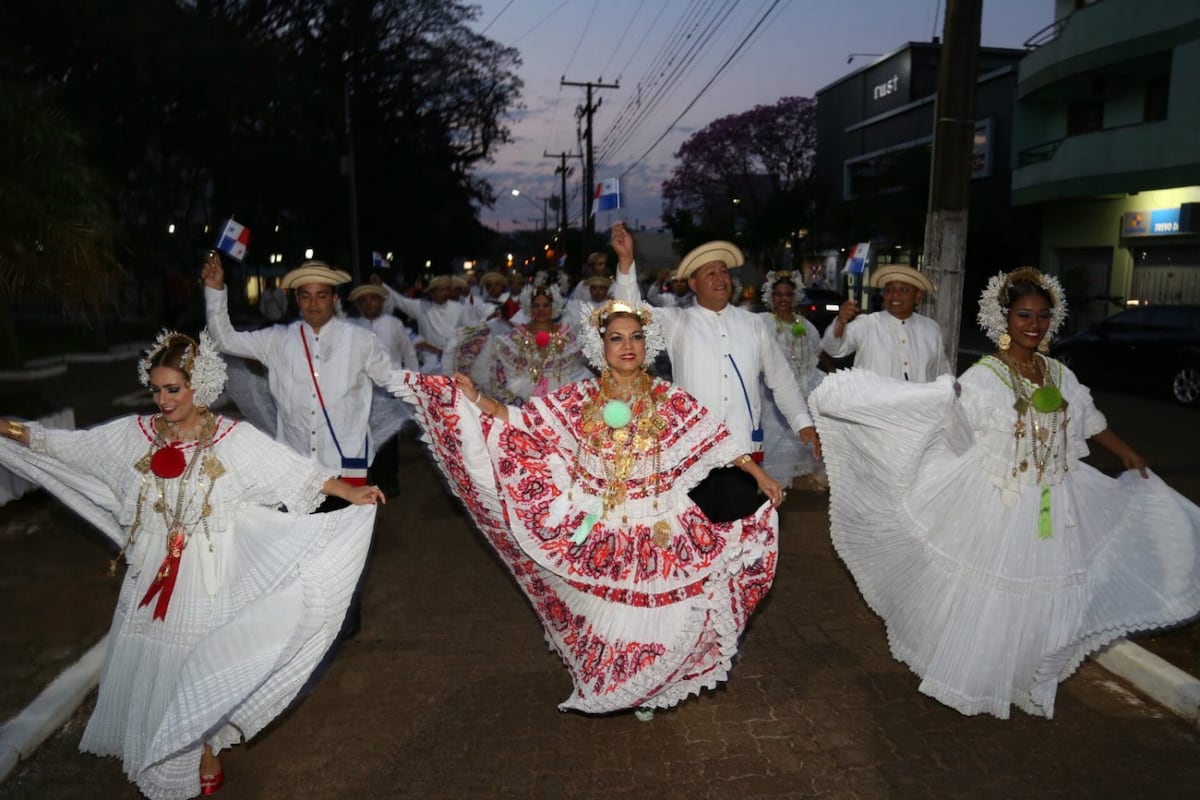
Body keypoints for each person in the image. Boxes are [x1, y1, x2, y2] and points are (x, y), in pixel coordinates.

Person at [0, 331, 383, 799]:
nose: (163, 400)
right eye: (157, 390)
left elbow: (293, 473)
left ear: (198, 387)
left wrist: (350, 492)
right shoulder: (132, 436)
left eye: (173, 390)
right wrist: (10, 429)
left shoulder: (233, 440)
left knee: (193, 662)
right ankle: (161, 745)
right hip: (151, 573)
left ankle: (200, 750)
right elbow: (67, 446)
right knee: (157, 660)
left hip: (207, 574)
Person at [808, 267, 1200, 719]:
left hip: (1056, 498)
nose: (1033, 324)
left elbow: (1090, 420)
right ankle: (978, 676)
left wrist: (1128, 454)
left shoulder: (1057, 372)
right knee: (996, 588)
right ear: (1005, 319)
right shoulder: (986, 375)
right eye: (1023, 315)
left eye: (1042, 316)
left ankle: (1027, 673)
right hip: (1003, 499)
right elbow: (955, 420)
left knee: (1045, 591)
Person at [393, 299, 783, 718]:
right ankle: (623, 682)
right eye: (616, 338)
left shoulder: (668, 396)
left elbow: (715, 437)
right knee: (616, 615)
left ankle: (647, 687)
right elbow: (526, 421)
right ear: (601, 348)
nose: (627, 346)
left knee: (668, 613)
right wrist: (477, 401)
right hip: (602, 520)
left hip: (659, 520)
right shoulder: (581, 397)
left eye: (635, 337)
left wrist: (759, 476)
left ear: (647, 344)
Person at [611, 223, 819, 522]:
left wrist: (803, 423)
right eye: (711, 273)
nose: (721, 278)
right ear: (693, 284)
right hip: (691, 458)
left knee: (740, 542)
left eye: (723, 271)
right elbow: (630, 314)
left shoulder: (753, 325)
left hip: (744, 456)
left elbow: (781, 378)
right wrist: (626, 262)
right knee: (694, 542)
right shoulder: (678, 322)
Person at [202, 254, 394, 485]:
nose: (313, 304)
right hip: (296, 465)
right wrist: (215, 291)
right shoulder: (276, 340)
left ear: (334, 298)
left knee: (348, 520)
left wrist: (440, 389)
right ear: (297, 299)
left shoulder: (361, 341)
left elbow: (393, 379)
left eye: (321, 296)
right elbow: (226, 341)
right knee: (298, 522)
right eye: (306, 296)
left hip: (346, 463)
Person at [449, 281, 590, 405]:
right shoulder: (517, 335)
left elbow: (576, 365)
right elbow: (502, 361)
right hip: (523, 392)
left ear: (554, 307)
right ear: (529, 307)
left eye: (546, 305)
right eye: (536, 305)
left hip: (560, 391)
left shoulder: (566, 334)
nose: (541, 310)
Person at [820, 263, 950, 381]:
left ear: (917, 296)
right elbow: (833, 348)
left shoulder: (931, 329)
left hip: (917, 406)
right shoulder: (867, 324)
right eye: (889, 290)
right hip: (873, 405)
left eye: (903, 290)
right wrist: (841, 322)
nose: (894, 295)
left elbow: (941, 373)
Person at [348, 283, 420, 496]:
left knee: (388, 437)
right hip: (361, 391)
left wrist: (414, 383)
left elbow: (409, 353)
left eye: (374, 299)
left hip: (389, 391)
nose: (369, 303)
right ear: (359, 305)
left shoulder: (394, 324)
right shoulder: (351, 326)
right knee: (363, 437)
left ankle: (389, 481)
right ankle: (367, 483)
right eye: (364, 300)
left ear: (382, 302)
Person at [758, 270, 826, 487]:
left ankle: (801, 478)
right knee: (775, 438)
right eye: (778, 294)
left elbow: (814, 351)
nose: (783, 300)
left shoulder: (803, 325)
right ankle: (771, 484)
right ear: (771, 296)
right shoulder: (762, 322)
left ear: (795, 297)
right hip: (772, 391)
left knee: (804, 431)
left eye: (787, 295)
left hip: (803, 387)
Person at [381, 275, 474, 372]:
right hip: (429, 362)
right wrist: (381, 285)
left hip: (454, 361)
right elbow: (398, 300)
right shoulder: (421, 306)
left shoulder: (459, 307)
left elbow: (469, 331)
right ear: (431, 293)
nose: (445, 293)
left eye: (447, 290)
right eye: (441, 290)